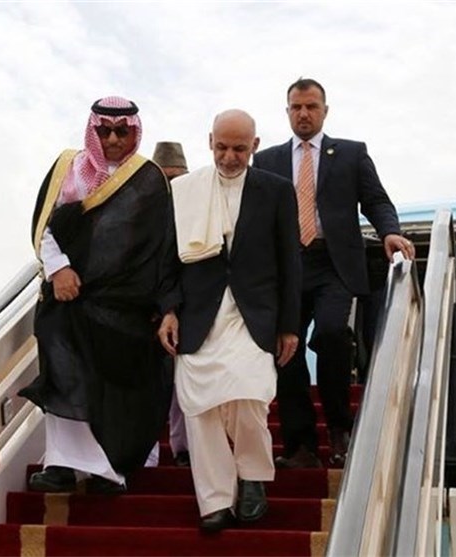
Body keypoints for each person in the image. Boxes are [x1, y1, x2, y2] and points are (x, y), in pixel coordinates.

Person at [253, 78, 415, 469]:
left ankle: (340, 427)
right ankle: (300, 445)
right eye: (296, 107)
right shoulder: (268, 161)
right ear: (287, 111)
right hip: (287, 265)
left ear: (325, 111)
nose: (303, 114)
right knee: (285, 350)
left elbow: (376, 200)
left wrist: (389, 231)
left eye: (311, 106)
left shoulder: (351, 154)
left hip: (334, 263)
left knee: (330, 332)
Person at [19, 96, 175, 494]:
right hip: (67, 299)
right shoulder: (67, 167)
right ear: (93, 130)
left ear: (135, 132)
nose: (113, 140)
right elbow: (46, 225)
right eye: (104, 131)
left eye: (122, 131)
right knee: (64, 376)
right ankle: (61, 465)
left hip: (124, 307)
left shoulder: (149, 178)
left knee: (116, 386)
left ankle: (110, 469)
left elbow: (158, 247)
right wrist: (59, 269)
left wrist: (159, 305)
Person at [158, 110, 301, 532]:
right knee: (200, 410)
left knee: (250, 396)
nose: (229, 156)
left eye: (239, 148)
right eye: (221, 147)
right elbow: (166, 259)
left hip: (253, 315)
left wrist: (289, 325)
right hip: (197, 315)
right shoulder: (184, 191)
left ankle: (253, 478)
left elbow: (289, 261)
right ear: (209, 142)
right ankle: (215, 500)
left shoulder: (276, 191)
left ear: (254, 146)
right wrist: (168, 310)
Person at [152, 141, 191, 467]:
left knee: (185, 384)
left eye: (177, 178)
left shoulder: (196, 210)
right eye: (163, 179)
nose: (170, 186)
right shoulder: (139, 211)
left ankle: (184, 449)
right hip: (142, 308)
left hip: (186, 306)